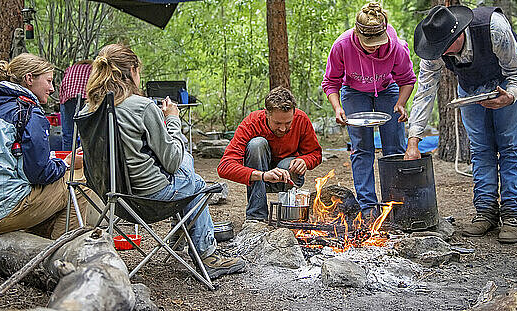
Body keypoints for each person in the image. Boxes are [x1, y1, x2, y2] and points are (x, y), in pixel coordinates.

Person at [83, 43, 245, 279]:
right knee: (195, 180)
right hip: (150, 200)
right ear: (132, 70)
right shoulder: (141, 106)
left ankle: (181, 238)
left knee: (187, 166)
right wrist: (172, 120)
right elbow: (171, 161)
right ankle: (207, 256)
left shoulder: (91, 109)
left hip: (112, 199)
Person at [405, 5, 517, 244]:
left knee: (510, 147)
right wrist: (414, 139)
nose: (441, 54)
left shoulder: (494, 28)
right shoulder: (434, 49)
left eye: (444, 48)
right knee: (480, 149)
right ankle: (485, 212)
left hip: (508, 83)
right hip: (471, 90)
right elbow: (425, 91)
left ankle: (513, 215)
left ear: (459, 34)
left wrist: (510, 95)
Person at [0, 53, 89, 239]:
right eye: (48, 81)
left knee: (50, 187)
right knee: (79, 183)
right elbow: (38, 173)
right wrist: (66, 163)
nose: (51, 89)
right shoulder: (27, 111)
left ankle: (37, 241)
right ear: (29, 79)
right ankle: (62, 250)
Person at [321, 2, 417, 220]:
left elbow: (407, 79)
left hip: (387, 89)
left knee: (394, 147)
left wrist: (401, 103)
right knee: (362, 148)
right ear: (357, 34)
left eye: (377, 42)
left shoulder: (396, 47)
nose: (373, 47)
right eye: (368, 43)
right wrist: (337, 108)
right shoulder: (342, 46)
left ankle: (396, 204)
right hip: (354, 92)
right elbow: (331, 82)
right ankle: (368, 207)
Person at [217, 86, 322, 221]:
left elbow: (316, 153)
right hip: (260, 177)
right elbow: (224, 167)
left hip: (288, 177)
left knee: (287, 164)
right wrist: (262, 175)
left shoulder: (301, 119)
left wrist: (305, 161)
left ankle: (290, 217)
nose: (283, 128)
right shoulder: (252, 122)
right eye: (278, 123)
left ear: (294, 113)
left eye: (288, 123)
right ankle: (256, 217)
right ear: (266, 113)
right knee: (256, 144)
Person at [59, 60, 92, 150]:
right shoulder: (92, 68)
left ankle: (67, 158)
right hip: (87, 98)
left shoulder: (70, 69)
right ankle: (84, 157)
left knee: (68, 134)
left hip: (69, 98)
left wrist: (62, 103)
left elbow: (62, 87)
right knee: (86, 133)